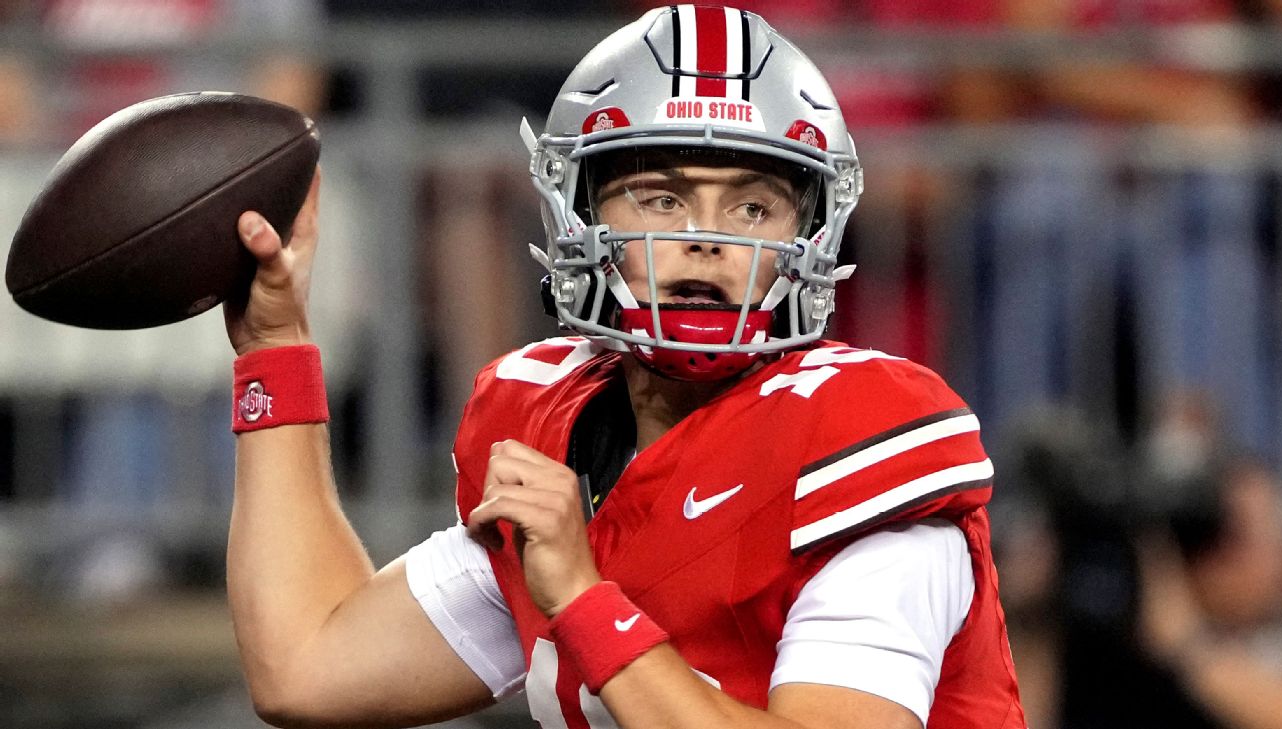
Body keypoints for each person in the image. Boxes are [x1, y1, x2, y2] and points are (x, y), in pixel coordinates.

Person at [222, 6, 1025, 729]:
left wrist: (583, 599)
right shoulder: (550, 423)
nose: (707, 238)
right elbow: (307, 668)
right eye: (661, 198)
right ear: (578, 213)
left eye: (752, 206)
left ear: (809, 233)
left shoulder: (854, 438)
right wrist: (274, 346)